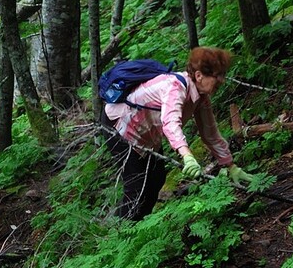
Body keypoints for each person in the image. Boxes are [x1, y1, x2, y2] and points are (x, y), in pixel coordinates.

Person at [101, 46, 254, 220]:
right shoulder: (174, 87)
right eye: (217, 77)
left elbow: (210, 133)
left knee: (157, 178)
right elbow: (171, 123)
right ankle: (123, 232)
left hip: (146, 135)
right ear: (199, 76)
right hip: (118, 126)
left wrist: (229, 165)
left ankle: (139, 225)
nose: (222, 81)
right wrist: (187, 156)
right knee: (136, 187)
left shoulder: (200, 97)